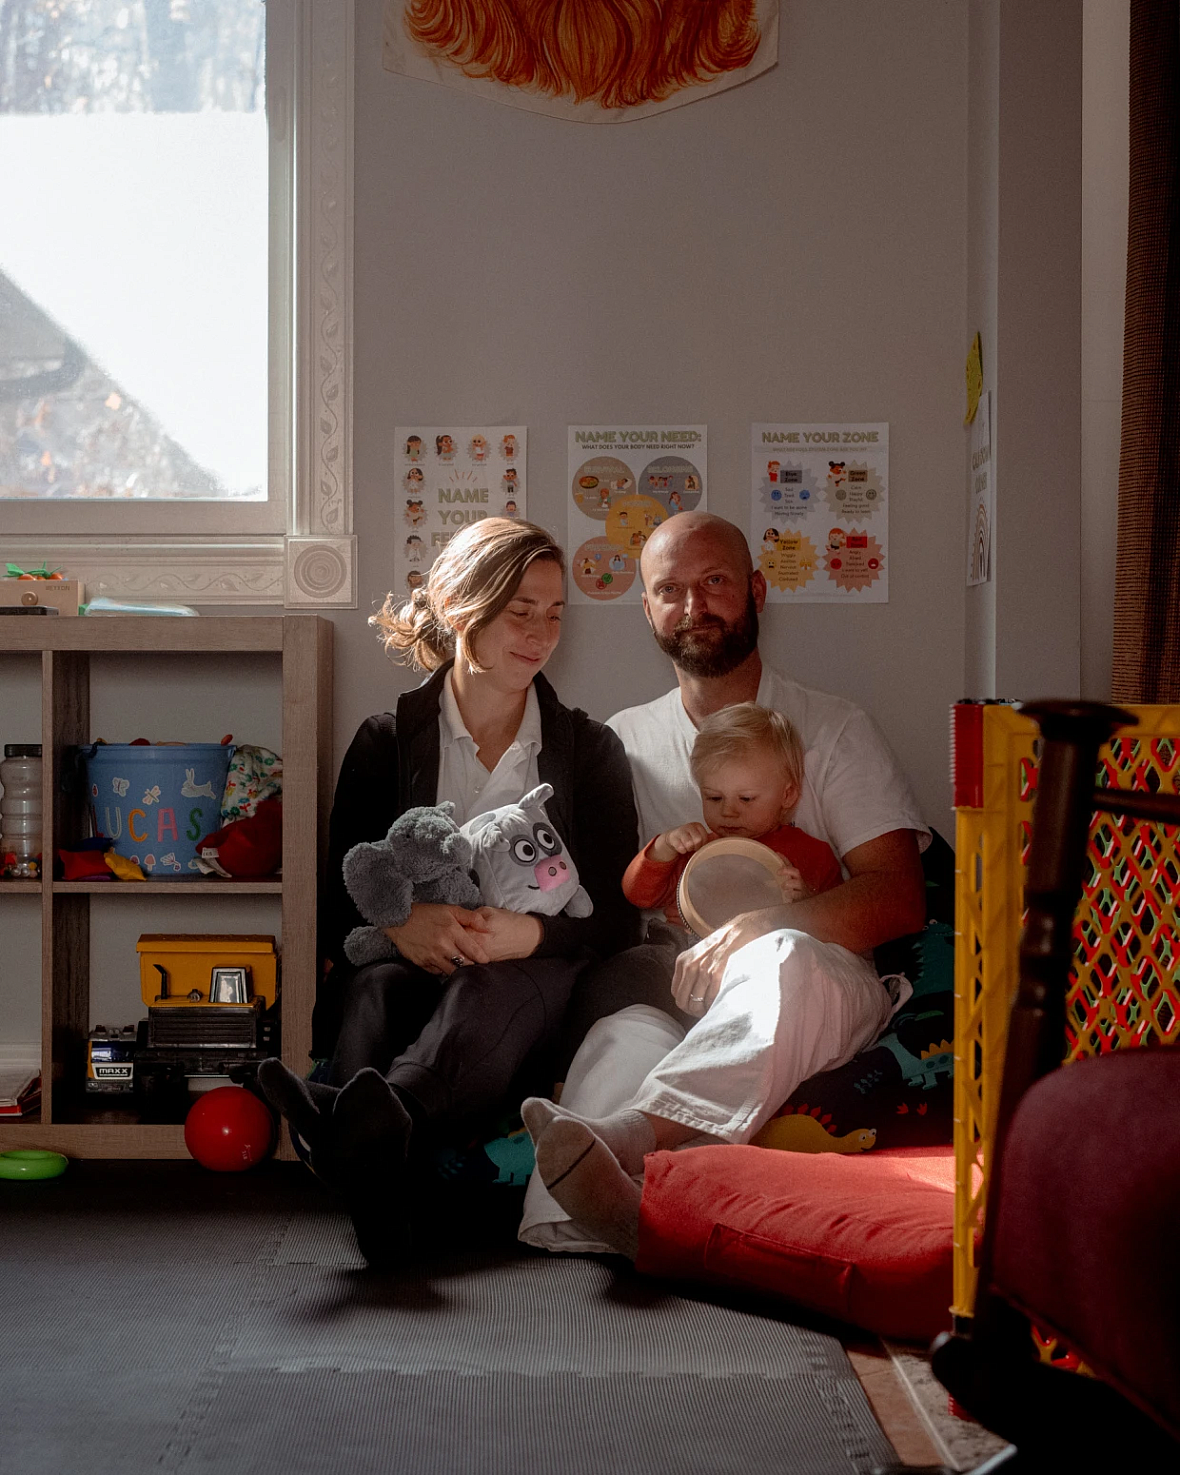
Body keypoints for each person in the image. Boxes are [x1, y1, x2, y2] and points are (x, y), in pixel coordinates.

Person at [524, 510, 928, 1256]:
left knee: (782, 961)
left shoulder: (833, 728)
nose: (692, 606)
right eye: (669, 589)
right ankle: (608, 1224)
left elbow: (900, 895)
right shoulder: (622, 742)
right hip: (680, 987)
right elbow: (613, 899)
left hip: (817, 982)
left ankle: (631, 1141)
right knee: (619, 1036)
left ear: (756, 591)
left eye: (713, 582)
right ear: (646, 610)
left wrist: (770, 924)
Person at [260, 518, 640, 1266]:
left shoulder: (590, 750)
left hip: (527, 989)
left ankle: (352, 1125)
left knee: (486, 990)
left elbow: (621, 919)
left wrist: (525, 935)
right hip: (411, 976)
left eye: (554, 614)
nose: (540, 633)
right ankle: (380, 1191)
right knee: (373, 990)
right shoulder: (384, 741)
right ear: (464, 608)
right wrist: (402, 924)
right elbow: (338, 898)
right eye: (519, 611)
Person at [622, 701, 842, 924]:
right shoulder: (698, 853)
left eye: (746, 799)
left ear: (787, 795)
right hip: (693, 954)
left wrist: (806, 901)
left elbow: (838, 924)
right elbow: (638, 895)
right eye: (714, 797)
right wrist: (665, 845)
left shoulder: (814, 855)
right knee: (640, 959)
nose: (728, 811)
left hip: (771, 953)